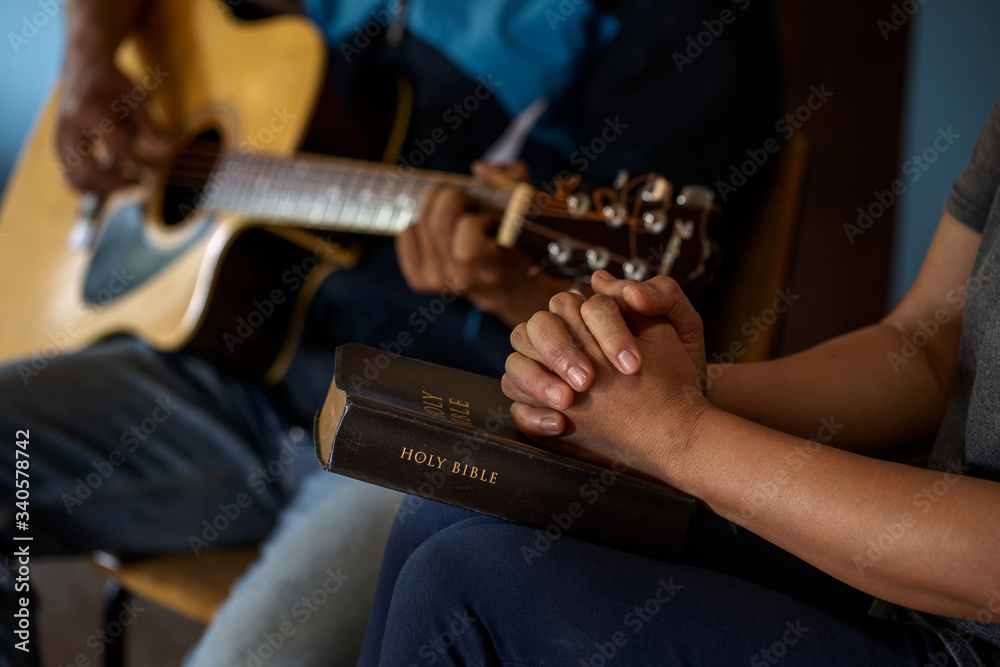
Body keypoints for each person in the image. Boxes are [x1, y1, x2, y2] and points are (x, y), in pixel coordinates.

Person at [0, 0, 780, 665]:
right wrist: (91, 59)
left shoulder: (697, 21)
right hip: (229, 365)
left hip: (431, 434)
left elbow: (646, 349)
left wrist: (513, 285)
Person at [359, 97, 1000, 665]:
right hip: (917, 578)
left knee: (469, 587)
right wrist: (673, 386)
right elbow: (931, 357)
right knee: (455, 497)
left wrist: (680, 436)